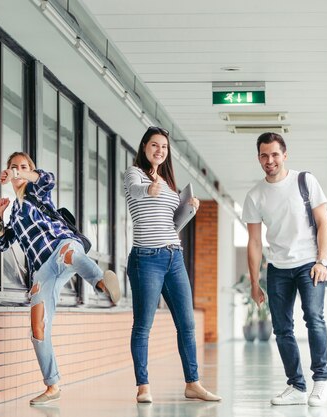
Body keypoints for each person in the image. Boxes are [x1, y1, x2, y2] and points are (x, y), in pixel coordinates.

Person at [0, 151, 121, 406]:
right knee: (37, 329)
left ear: (28, 171)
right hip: (43, 270)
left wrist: (21, 174)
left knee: (69, 254)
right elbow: (1, 244)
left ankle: (101, 282)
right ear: (6, 173)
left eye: (23, 166)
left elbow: (48, 178)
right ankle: (52, 385)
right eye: (13, 167)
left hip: (62, 246)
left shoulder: (37, 192)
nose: (17, 171)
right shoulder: (15, 215)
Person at [124, 126, 221, 404]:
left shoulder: (167, 182)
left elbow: (172, 222)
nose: (159, 151)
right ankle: (143, 386)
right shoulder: (135, 174)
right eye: (155, 145)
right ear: (144, 147)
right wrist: (148, 188)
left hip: (173, 256)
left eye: (164, 147)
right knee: (143, 325)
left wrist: (188, 208)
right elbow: (136, 190)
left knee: (187, 324)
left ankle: (193, 383)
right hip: (146, 258)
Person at [242, 132, 327, 407]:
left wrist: (322, 260)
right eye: (264, 156)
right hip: (278, 268)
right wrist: (256, 283)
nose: (270, 160)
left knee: (314, 318)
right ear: (259, 158)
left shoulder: (305, 181)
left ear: (285, 155)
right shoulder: (255, 195)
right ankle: (297, 385)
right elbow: (255, 242)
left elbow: (323, 223)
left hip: (309, 264)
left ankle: (321, 380)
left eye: (275, 154)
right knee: (282, 329)